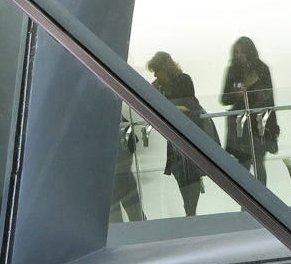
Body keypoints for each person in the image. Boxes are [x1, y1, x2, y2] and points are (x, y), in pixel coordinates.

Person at [147, 52, 218, 217]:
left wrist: (166, 106)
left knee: (190, 170)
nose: (156, 75)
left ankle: (190, 212)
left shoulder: (183, 79)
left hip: (193, 130)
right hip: (176, 133)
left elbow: (189, 106)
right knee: (181, 170)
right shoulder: (159, 86)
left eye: (157, 71)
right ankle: (190, 208)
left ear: (165, 69)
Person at [221, 36, 278, 186]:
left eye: (242, 52)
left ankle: (261, 202)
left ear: (249, 52)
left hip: (258, 122)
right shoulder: (232, 71)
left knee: (258, 163)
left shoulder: (261, 69)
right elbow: (224, 99)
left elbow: (269, 99)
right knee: (243, 166)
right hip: (239, 124)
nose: (239, 56)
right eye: (237, 53)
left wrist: (274, 127)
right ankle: (246, 206)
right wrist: (236, 94)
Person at [109, 117, 146, 222]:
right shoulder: (119, 119)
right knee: (136, 217)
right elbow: (133, 145)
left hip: (116, 178)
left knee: (116, 221)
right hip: (125, 177)